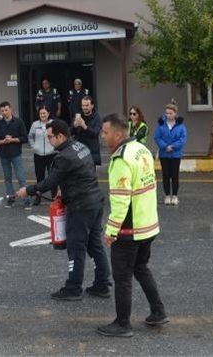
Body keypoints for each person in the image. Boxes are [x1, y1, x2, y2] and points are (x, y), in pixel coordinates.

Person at [16, 119, 111, 301]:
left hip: (80, 207)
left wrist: (27, 190)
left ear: (61, 136)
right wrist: (64, 189)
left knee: (76, 248)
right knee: (95, 245)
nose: (49, 140)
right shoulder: (80, 147)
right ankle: (102, 284)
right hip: (95, 202)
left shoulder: (63, 157)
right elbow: (81, 173)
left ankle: (73, 288)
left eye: (50, 137)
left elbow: (49, 182)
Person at [98, 113, 167, 338]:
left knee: (123, 277)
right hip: (148, 224)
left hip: (130, 229)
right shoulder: (141, 149)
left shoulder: (121, 158)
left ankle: (122, 323)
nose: (102, 136)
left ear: (118, 134)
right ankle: (158, 311)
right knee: (141, 268)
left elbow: (120, 199)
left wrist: (110, 231)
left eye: (106, 132)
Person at [0, 101, 31, 209]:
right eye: (2, 111)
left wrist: (13, 139)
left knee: (21, 178)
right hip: (4, 155)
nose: (4, 112)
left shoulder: (19, 122)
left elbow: (25, 138)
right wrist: (2, 141)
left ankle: (26, 199)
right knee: (7, 178)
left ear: (10, 110)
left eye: (6, 110)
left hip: (16, 154)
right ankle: (11, 198)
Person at [153, 103, 187, 206]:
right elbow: (157, 137)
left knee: (175, 175)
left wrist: (173, 146)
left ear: (175, 113)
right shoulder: (161, 124)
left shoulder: (180, 126)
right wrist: (164, 147)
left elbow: (183, 138)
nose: (168, 115)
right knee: (166, 175)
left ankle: (175, 196)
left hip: (176, 154)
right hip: (164, 154)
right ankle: (167, 195)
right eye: (167, 113)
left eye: (170, 113)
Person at [28, 106, 57, 206]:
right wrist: (34, 147)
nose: (42, 115)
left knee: (53, 176)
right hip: (38, 155)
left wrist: (55, 147)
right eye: (41, 113)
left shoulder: (53, 123)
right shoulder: (35, 124)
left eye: (44, 113)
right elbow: (30, 137)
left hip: (51, 154)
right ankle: (38, 197)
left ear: (48, 113)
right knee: (39, 177)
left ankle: (55, 197)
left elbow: (58, 136)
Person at [71, 95, 102, 166]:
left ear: (92, 106)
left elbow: (96, 133)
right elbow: (69, 132)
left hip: (91, 151)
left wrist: (85, 127)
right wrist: (74, 126)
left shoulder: (96, 117)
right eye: (83, 105)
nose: (84, 107)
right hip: (79, 150)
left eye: (87, 105)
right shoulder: (78, 116)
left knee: (90, 174)